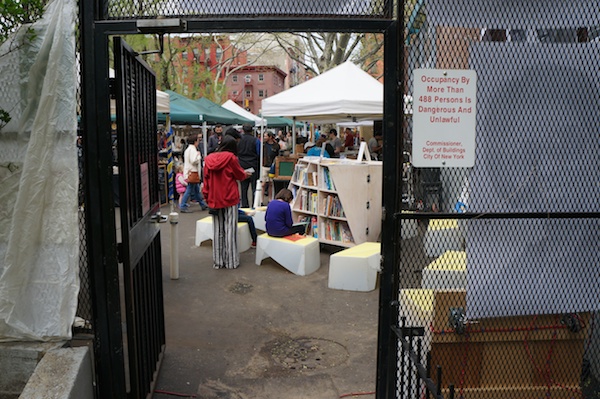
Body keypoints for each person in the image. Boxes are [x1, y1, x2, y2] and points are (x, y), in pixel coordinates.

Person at [202, 135, 252, 269]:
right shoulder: (231, 158)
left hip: (214, 198)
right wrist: (245, 174)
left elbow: (205, 181)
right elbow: (239, 175)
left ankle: (218, 261)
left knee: (218, 231)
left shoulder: (208, 159)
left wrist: (207, 198)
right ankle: (231, 261)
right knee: (230, 229)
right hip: (230, 197)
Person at [180, 134, 208, 213]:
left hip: (189, 171)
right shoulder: (193, 150)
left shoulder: (188, 149)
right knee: (190, 189)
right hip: (193, 171)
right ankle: (183, 205)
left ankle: (202, 204)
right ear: (195, 141)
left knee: (195, 189)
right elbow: (193, 160)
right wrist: (198, 156)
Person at [237, 123, 259, 208]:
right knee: (254, 187)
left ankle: (244, 205)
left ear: (243, 130)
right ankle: (254, 204)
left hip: (242, 165)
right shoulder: (255, 140)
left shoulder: (239, 141)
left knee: (243, 188)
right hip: (253, 165)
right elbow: (258, 152)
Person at [261, 131, 279, 198]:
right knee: (263, 183)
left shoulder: (276, 145)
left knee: (271, 184)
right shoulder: (263, 145)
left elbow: (278, 154)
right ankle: (262, 200)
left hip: (273, 166)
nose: (264, 137)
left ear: (270, 137)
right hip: (264, 166)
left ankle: (270, 199)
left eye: (265, 136)